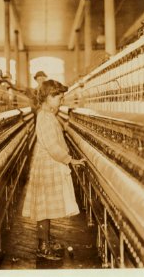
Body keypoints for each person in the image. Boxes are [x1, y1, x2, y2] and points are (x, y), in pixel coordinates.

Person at [22, 79, 85, 260]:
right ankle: (42, 246)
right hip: (47, 165)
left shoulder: (48, 116)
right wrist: (70, 160)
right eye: (59, 97)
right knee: (43, 209)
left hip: (50, 164)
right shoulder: (44, 117)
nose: (62, 101)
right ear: (49, 97)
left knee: (46, 207)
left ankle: (46, 240)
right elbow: (52, 146)